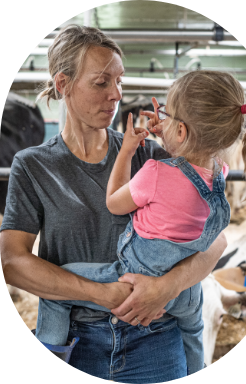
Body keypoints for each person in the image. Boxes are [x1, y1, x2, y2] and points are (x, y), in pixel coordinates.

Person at [0, 25, 229, 382]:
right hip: (77, 340)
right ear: (63, 84)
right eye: (101, 82)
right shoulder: (33, 165)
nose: (116, 95)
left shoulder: (152, 156)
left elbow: (217, 239)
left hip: (154, 336)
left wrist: (166, 288)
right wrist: (104, 294)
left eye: (119, 81)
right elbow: (12, 262)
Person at [32, 69, 246, 375]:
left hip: (134, 280)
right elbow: (194, 156)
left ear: (182, 131)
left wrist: (128, 149)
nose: (161, 121)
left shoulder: (156, 172)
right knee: (194, 333)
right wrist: (175, 135)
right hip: (185, 293)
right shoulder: (219, 173)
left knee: (58, 286)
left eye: (167, 116)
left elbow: (114, 202)